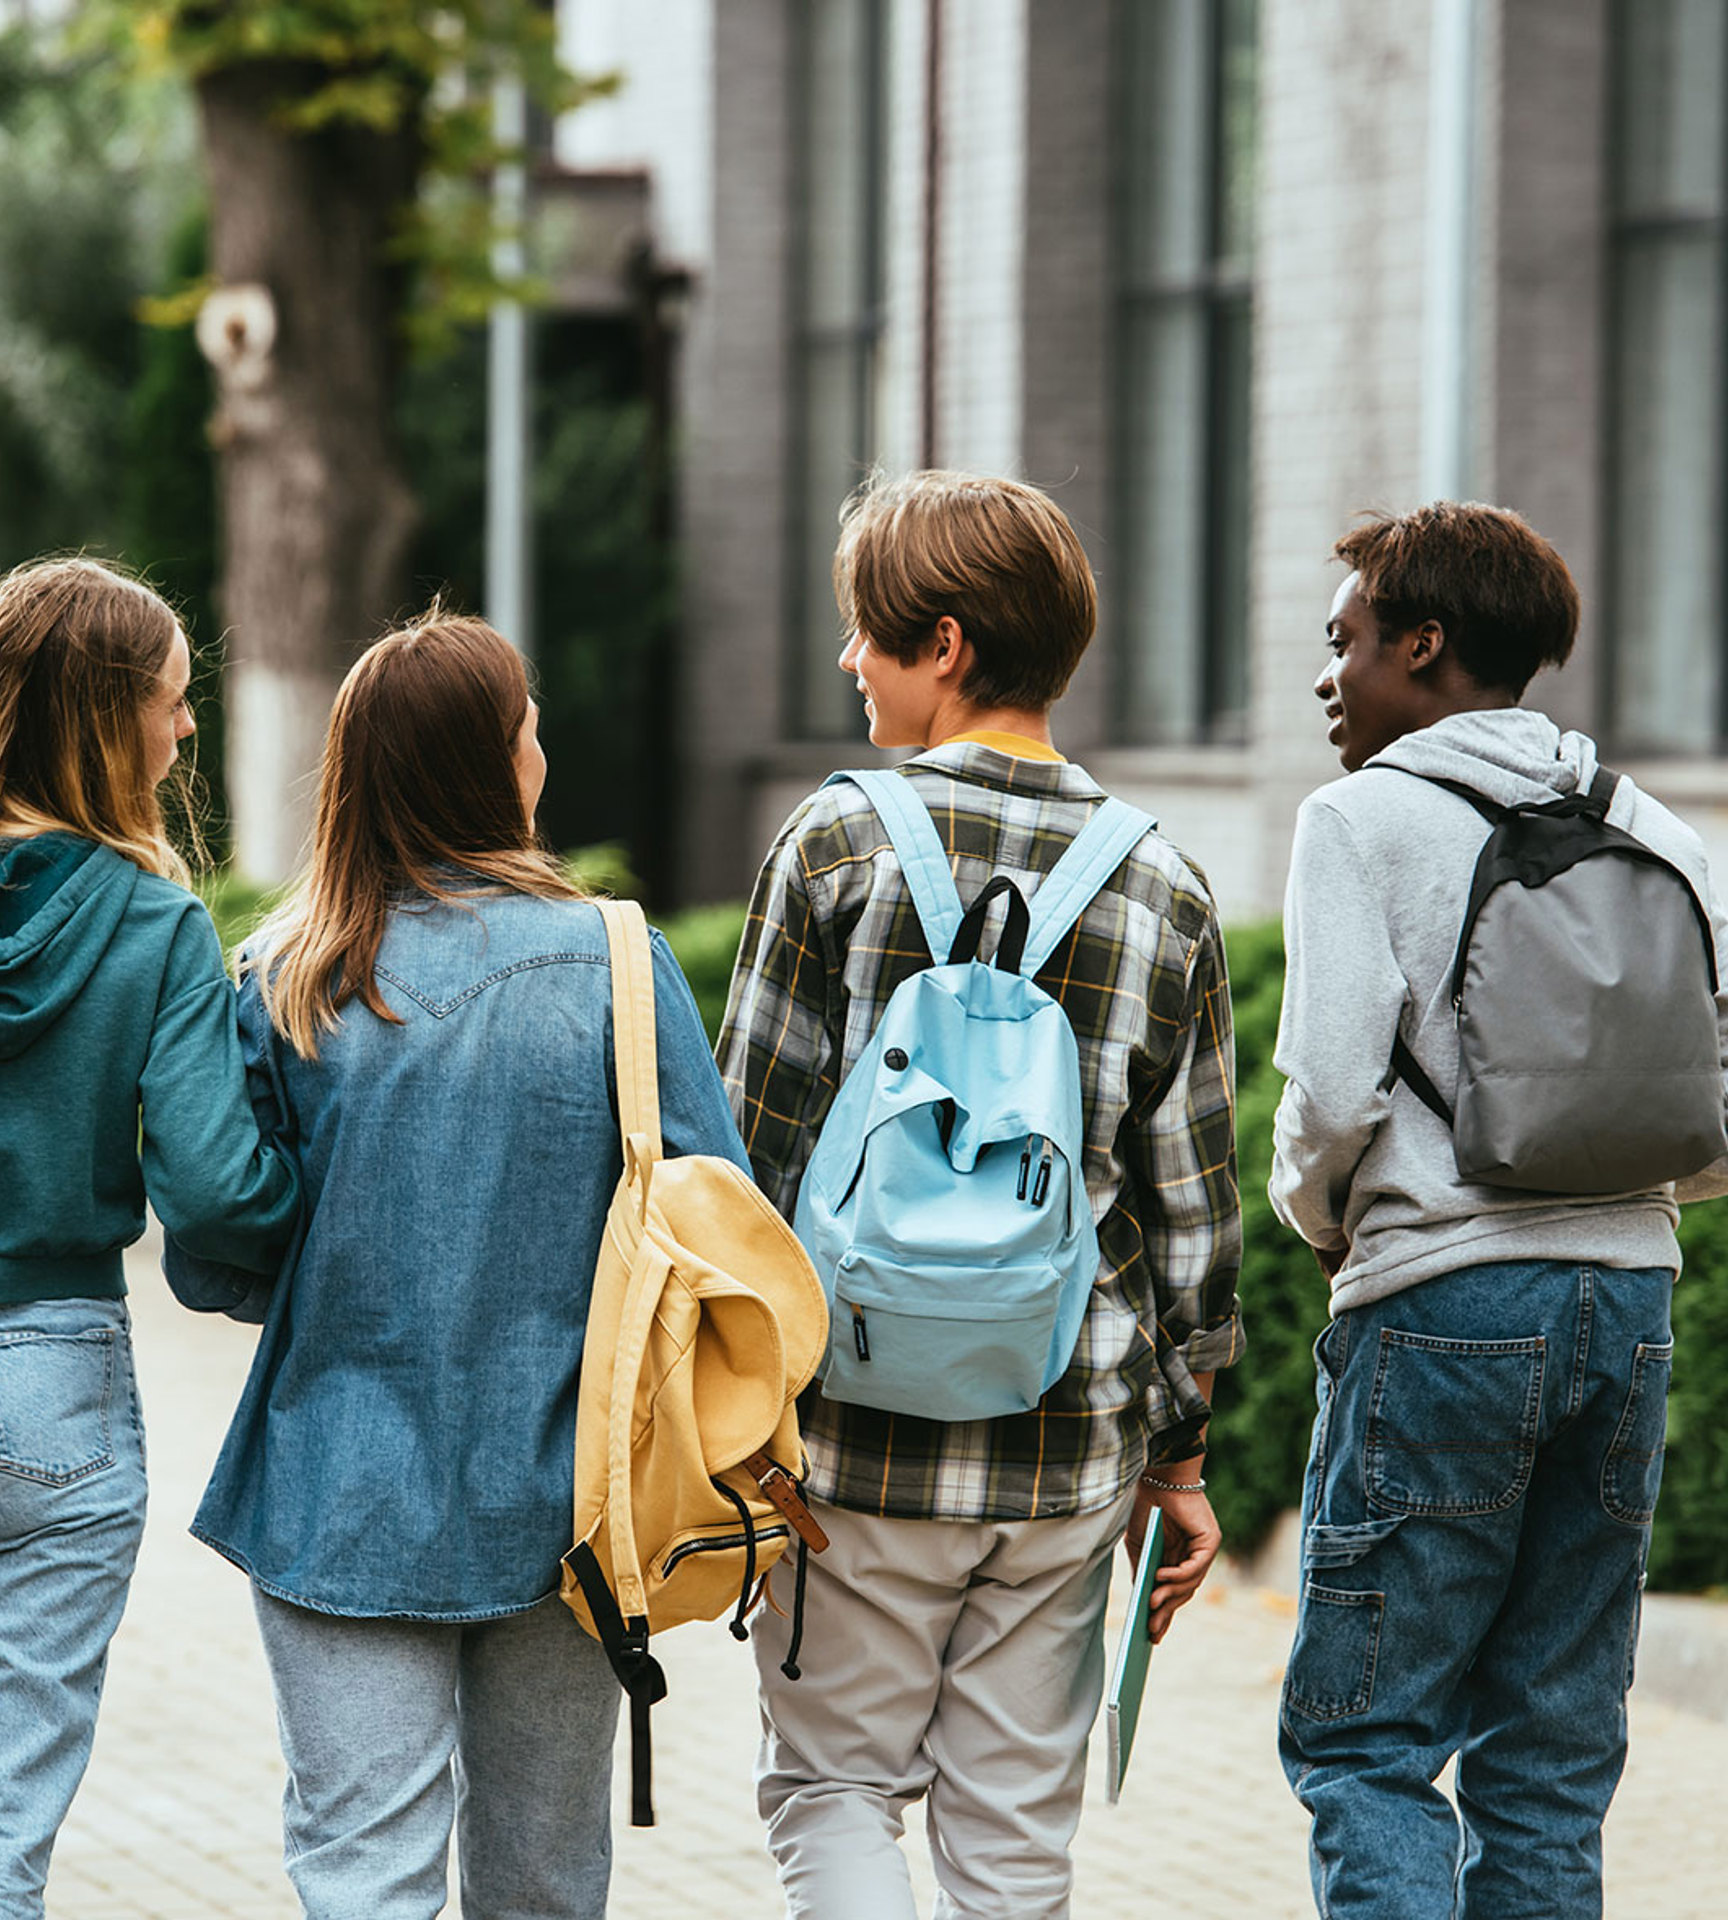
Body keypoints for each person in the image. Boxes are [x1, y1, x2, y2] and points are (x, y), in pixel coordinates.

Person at [164, 611, 748, 1920]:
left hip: (336, 1493)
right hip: (571, 1503)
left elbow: (212, 1260)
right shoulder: (617, 962)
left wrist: (334, 1274)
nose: (542, 745)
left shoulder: (281, 979)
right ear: (496, 763)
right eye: (526, 723)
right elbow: (719, 1225)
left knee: (359, 1877)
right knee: (544, 1884)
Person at [718, 470, 1245, 1918]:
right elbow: (1192, 1218)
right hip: (1067, 1439)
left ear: (943, 647)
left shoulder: (832, 841)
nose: (848, 663)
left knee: (831, 1794)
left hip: (851, 1448)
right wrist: (1181, 1458)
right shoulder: (1166, 885)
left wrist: (727, 1424)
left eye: (865, 635)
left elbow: (742, 1167)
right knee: (1014, 1841)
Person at [0, 557, 299, 1920]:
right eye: (172, 704)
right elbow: (216, 1195)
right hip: (50, 1385)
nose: (185, 731)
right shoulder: (156, 923)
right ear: (105, 719)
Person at [1270, 501, 1728, 1917]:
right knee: (1550, 1746)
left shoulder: (1357, 818)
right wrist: (1639, 1189)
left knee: (1373, 1737)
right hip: (1629, 1304)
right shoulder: (1659, 825)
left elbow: (1334, 1098)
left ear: (1424, 642)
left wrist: (1321, 1216)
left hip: (1443, 1308)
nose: (1326, 676)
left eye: (1344, 641)